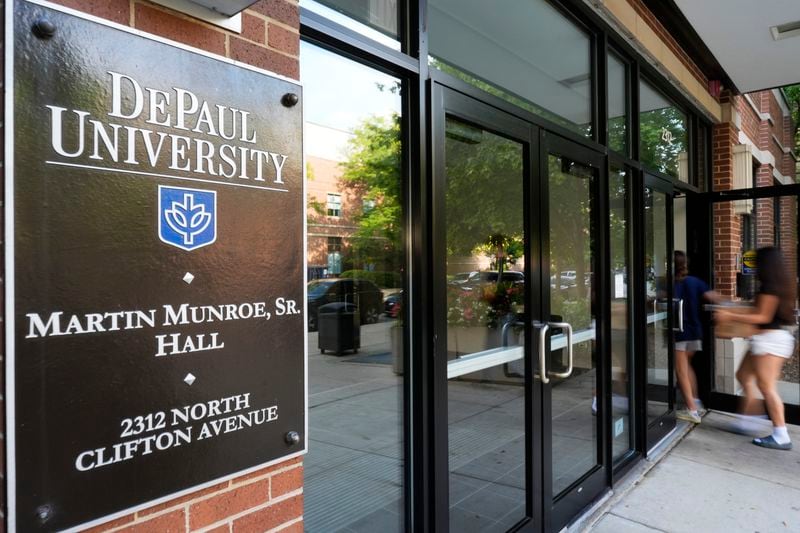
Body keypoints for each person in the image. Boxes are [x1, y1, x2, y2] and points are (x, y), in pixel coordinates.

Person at [715, 247, 795, 450]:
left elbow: (763, 317)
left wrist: (730, 316)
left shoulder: (770, 288)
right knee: (743, 375)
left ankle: (781, 435)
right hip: (766, 339)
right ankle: (750, 419)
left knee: (767, 388)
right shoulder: (777, 285)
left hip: (770, 341)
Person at [673, 251, 719, 424]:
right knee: (687, 368)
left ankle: (691, 410)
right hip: (695, 331)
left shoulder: (672, 284)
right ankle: (696, 402)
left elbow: (661, 301)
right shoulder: (695, 282)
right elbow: (714, 297)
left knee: (681, 371)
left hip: (680, 332)